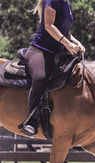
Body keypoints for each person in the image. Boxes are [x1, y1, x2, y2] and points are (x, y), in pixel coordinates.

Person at [20, 0, 85, 136]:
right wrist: (68, 44)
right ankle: (31, 120)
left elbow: (64, 31)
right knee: (40, 78)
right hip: (39, 50)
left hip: (57, 51)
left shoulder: (67, 4)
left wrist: (76, 42)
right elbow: (49, 26)